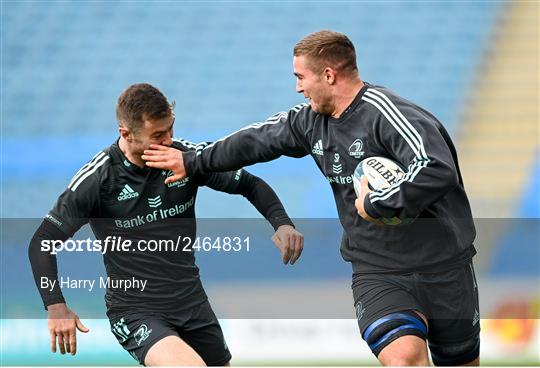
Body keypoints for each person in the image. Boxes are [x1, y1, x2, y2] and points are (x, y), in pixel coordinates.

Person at [142, 30, 480, 366]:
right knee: (404, 358)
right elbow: (256, 140)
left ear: (329, 75)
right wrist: (193, 160)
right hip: (378, 270)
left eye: (301, 77)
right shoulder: (309, 121)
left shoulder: (387, 113)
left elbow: (436, 168)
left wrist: (379, 203)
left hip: (445, 267)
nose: (298, 87)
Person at [28, 83, 304, 366]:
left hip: (192, 303)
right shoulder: (98, 179)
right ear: (126, 133)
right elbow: (42, 241)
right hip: (136, 310)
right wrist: (55, 305)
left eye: (171, 128)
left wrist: (281, 224)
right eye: (158, 135)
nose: (169, 140)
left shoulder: (185, 158)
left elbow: (249, 184)